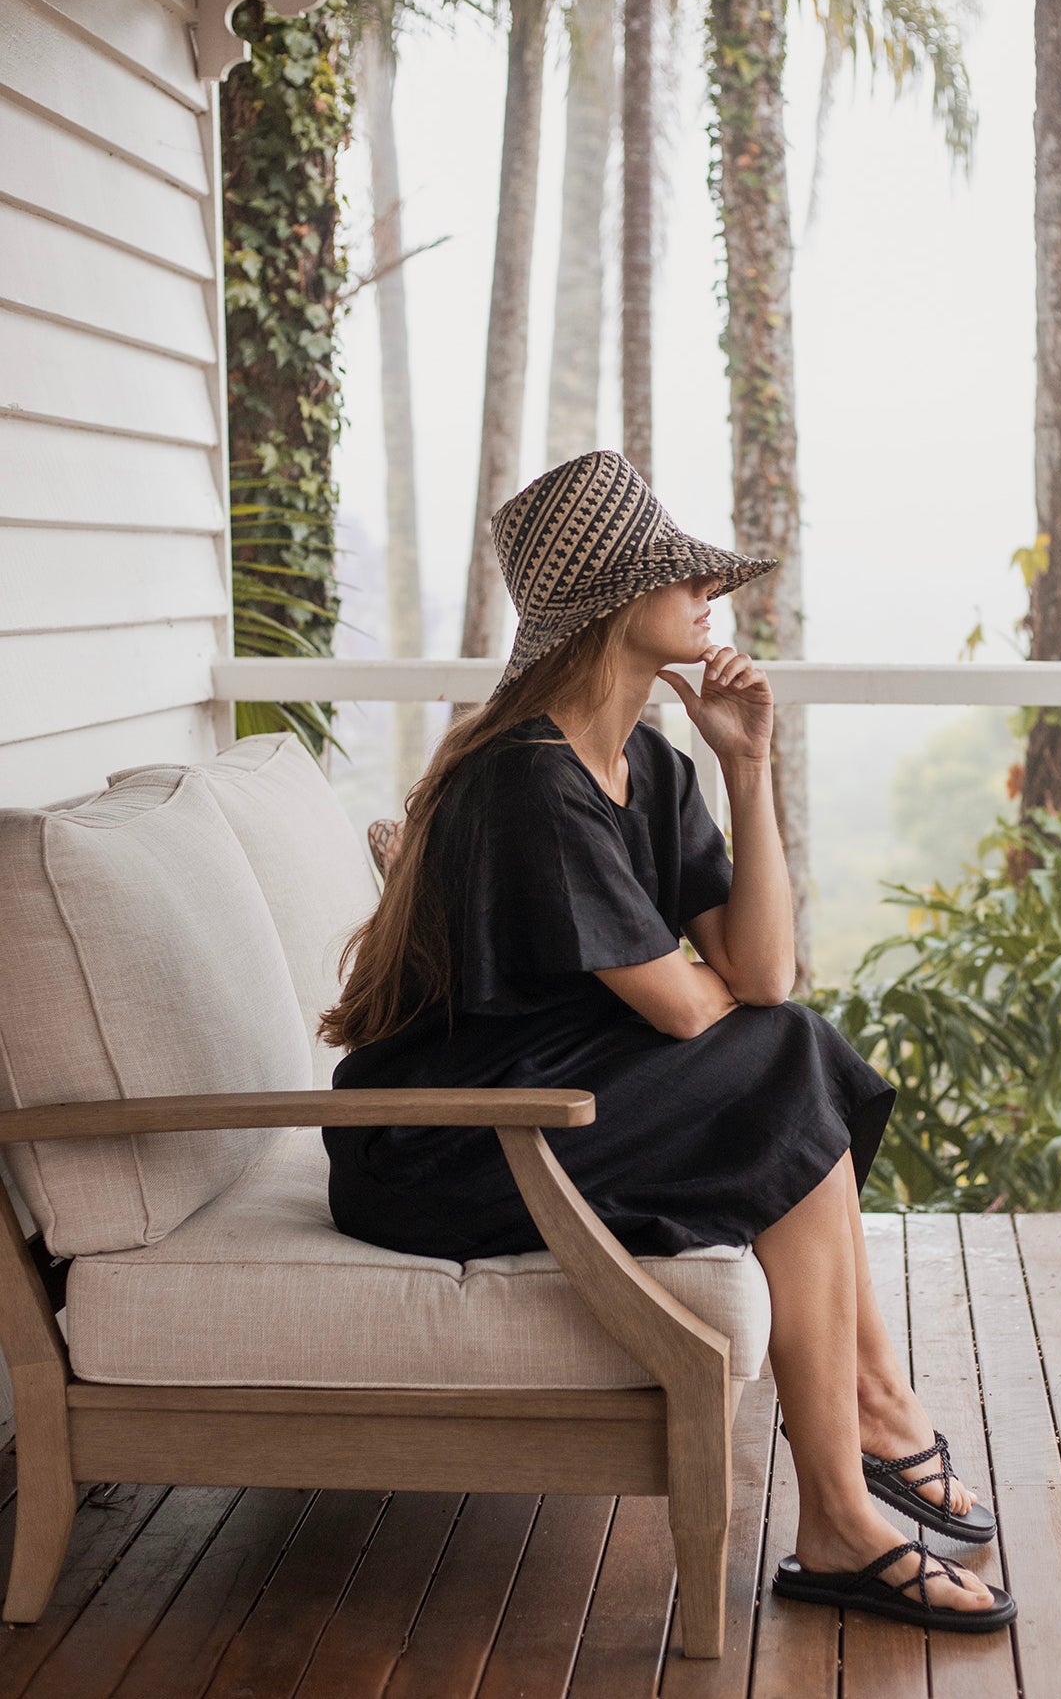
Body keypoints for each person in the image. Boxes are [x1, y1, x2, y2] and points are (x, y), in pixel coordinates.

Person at [317, 450, 1015, 1633]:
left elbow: (760, 971)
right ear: (607, 606)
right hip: (446, 1148)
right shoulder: (528, 782)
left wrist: (749, 767)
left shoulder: (645, 759)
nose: (709, 597)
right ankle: (857, 1480)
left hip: (559, 1102)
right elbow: (692, 1009)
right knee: (784, 1054)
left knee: (793, 1048)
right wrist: (741, 1002)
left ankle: (867, 1444)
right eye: (678, 577)